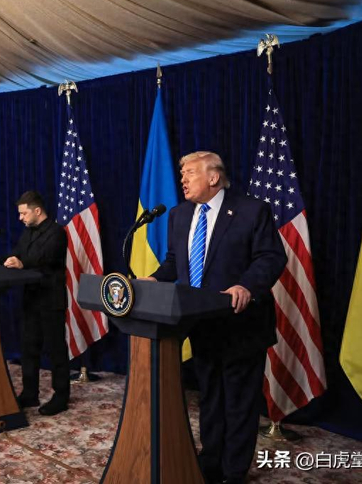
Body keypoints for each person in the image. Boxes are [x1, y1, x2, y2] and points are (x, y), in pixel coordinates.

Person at [147, 152, 287, 484]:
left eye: (190, 173)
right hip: (201, 324)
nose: (183, 179)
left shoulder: (252, 210)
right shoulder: (179, 215)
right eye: (182, 173)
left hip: (241, 324)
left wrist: (246, 285)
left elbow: (270, 256)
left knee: (239, 401)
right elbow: (175, 262)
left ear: (213, 177)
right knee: (209, 397)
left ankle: (234, 471)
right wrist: (152, 280)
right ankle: (210, 462)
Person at [0, 190, 70, 416]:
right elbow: (15, 257)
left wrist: (21, 263)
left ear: (37, 210)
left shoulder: (57, 232)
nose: (20, 218)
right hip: (31, 298)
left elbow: (45, 258)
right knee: (29, 347)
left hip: (51, 299)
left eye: (24, 213)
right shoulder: (28, 233)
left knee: (55, 349)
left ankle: (61, 396)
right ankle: (30, 393)